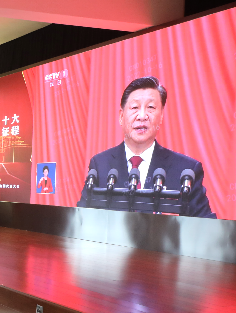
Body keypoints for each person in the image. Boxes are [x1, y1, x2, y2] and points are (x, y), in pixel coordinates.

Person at [76, 76, 215, 218]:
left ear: (161, 116)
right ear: (121, 116)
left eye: (151, 107)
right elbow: (81, 220)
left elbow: (205, 228)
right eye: (135, 107)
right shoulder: (100, 165)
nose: (142, 116)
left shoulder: (186, 170)